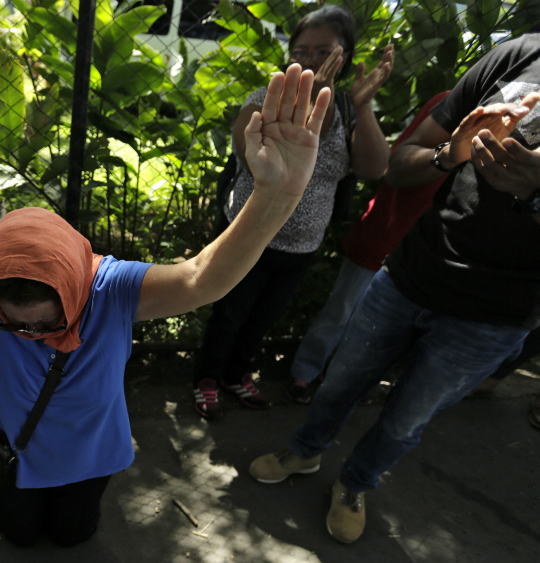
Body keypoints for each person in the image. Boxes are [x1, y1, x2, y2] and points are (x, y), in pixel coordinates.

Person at [0, 56, 331, 545]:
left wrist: (278, 195)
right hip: (14, 455)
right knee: (18, 534)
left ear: (78, 286)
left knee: (73, 535)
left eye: (45, 322)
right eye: (14, 325)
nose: (31, 335)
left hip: (91, 461)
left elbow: (200, 278)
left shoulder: (112, 288)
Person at [248, 32, 540, 544]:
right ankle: (305, 450)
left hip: (496, 316)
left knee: (407, 420)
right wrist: (451, 153)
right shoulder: (522, 54)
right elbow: (398, 165)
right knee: (339, 381)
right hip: (409, 275)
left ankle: (355, 483)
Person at [192, 5, 393, 419]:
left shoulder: (350, 111)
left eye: (323, 51)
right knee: (229, 312)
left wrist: (365, 104)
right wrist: (301, 107)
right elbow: (251, 158)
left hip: (303, 245)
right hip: (249, 234)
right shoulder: (265, 99)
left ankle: (237, 374)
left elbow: (375, 169)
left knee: (263, 317)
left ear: (345, 55)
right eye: (301, 51)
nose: (309, 61)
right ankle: (207, 378)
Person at [285, 91, 451, 404]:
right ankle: (305, 371)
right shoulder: (452, 102)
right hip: (390, 231)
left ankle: (338, 377)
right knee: (343, 307)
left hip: (430, 246)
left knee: (381, 323)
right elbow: (398, 162)